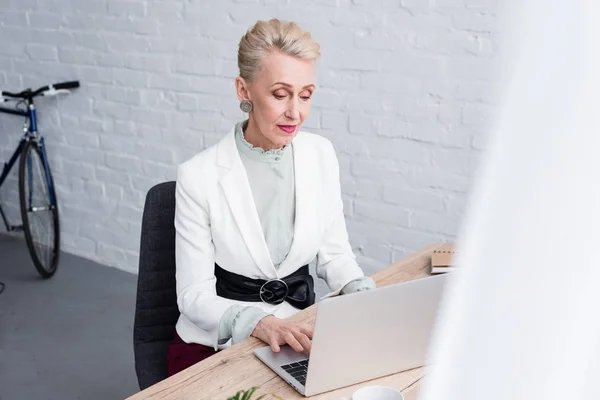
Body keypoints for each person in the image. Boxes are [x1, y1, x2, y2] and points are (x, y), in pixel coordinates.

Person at [167, 18, 376, 377]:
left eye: (306, 95)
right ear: (243, 90)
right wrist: (259, 324)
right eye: (280, 94)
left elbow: (334, 254)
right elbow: (193, 296)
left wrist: (362, 292)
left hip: (299, 328)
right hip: (219, 340)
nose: (295, 112)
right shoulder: (198, 176)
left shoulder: (320, 154)